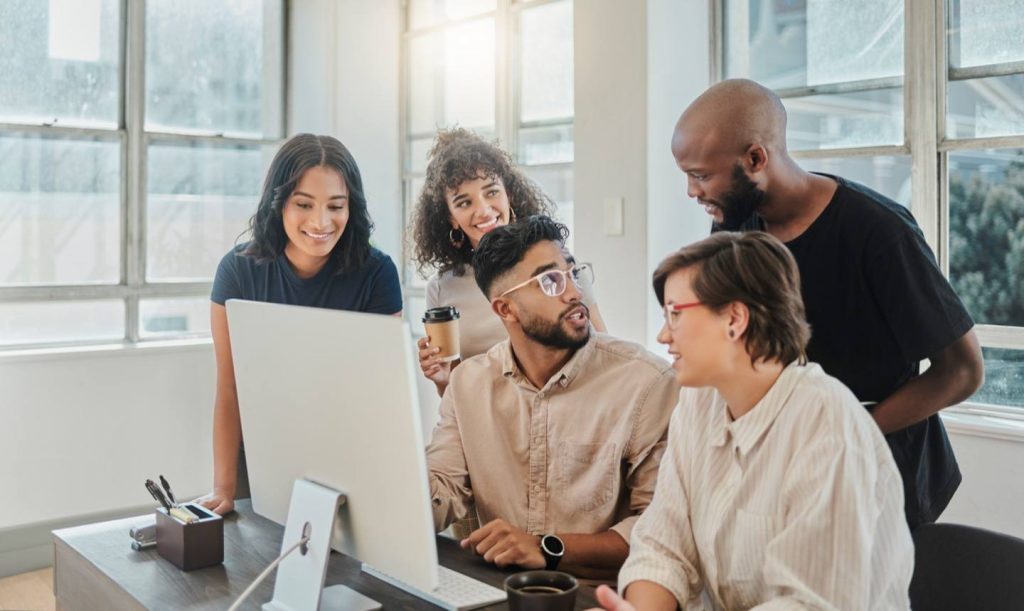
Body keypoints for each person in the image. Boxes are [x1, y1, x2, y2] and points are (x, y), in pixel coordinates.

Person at [670, 78, 984, 528]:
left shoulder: (880, 233)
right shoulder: (733, 231)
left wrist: (845, 434)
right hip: (786, 467)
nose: (692, 191)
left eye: (700, 175)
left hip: (880, 474)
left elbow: (962, 371)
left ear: (756, 159)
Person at [592, 231, 914, 610]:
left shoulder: (826, 422)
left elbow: (811, 604)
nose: (663, 334)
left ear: (735, 319)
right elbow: (664, 546)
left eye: (675, 314)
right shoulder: (699, 401)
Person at [426, 216, 677, 578]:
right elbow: (442, 491)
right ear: (505, 309)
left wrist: (546, 547)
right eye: (549, 280)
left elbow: (658, 529)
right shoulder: (469, 382)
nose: (574, 292)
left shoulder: (648, 383)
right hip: (503, 591)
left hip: (598, 594)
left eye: (572, 273)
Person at [198, 134, 402, 515]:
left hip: (346, 458)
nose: (321, 222)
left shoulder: (377, 274)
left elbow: (380, 397)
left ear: (351, 208)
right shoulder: (237, 271)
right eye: (303, 204)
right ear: (279, 204)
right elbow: (230, 387)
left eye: (335, 206)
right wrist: (223, 488)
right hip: (260, 455)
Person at [410, 128, 607, 398]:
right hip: (489, 424)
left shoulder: (560, 265)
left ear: (508, 194)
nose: (483, 209)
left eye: (491, 192)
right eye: (464, 202)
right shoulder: (443, 289)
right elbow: (454, 396)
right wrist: (441, 379)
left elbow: (602, 351)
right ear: (451, 217)